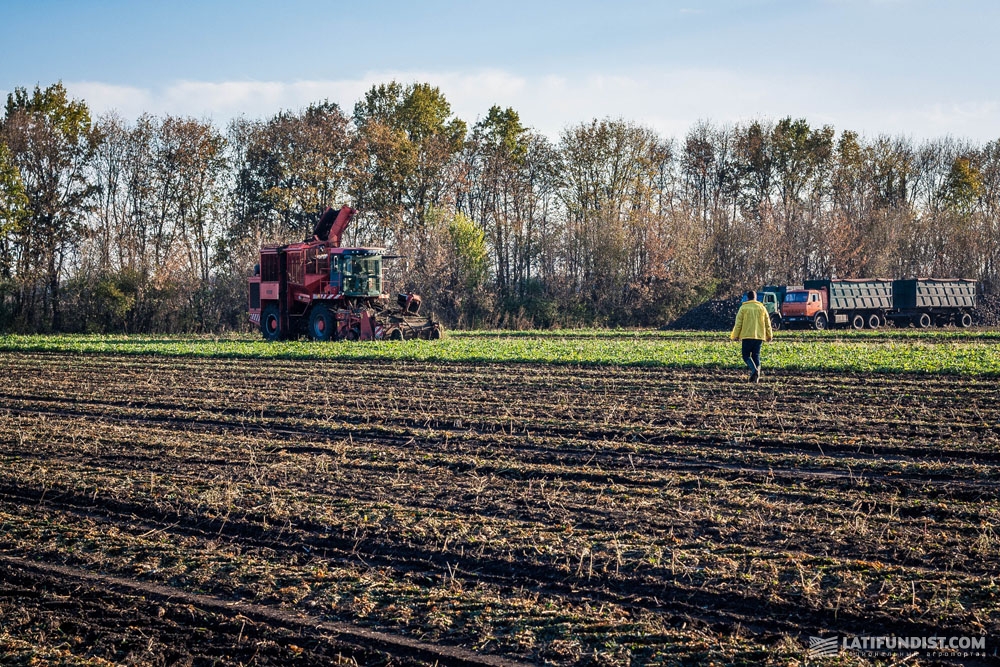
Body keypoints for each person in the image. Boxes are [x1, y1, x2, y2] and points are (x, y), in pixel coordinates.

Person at [730, 290, 774, 383]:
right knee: (756, 356)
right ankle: (756, 378)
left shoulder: (743, 308)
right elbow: (767, 323)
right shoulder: (762, 308)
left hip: (746, 336)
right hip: (759, 336)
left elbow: (738, 323)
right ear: (756, 297)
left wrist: (735, 335)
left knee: (746, 356)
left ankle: (754, 370)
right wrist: (769, 335)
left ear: (747, 298)